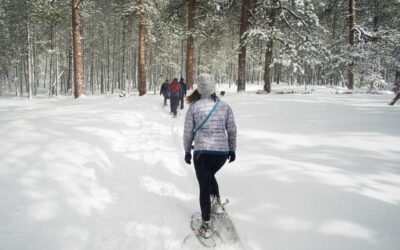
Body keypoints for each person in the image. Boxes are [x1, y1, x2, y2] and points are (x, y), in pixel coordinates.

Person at [183, 73, 237, 239]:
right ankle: (217, 205)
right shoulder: (225, 106)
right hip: (221, 153)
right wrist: (232, 149)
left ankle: (206, 223)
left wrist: (187, 151)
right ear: (213, 87)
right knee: (209, 176)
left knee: (204, 186)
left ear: (199, 88)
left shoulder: (194, 107)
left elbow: (187, 132)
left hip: (202, 153)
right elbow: (232, 129)